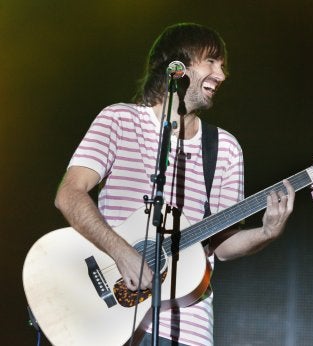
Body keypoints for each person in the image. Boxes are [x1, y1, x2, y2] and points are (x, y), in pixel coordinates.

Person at [54, 22, 295, 346]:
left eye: (222, 65)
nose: (221, 75)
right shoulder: (118, 120)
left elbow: (222, 246)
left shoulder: (224, 148)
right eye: (211, 61)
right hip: (109, 318)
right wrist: (122, 252)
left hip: (187, 329)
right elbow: (69, 195)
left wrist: (267, 233)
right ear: (175, 65)